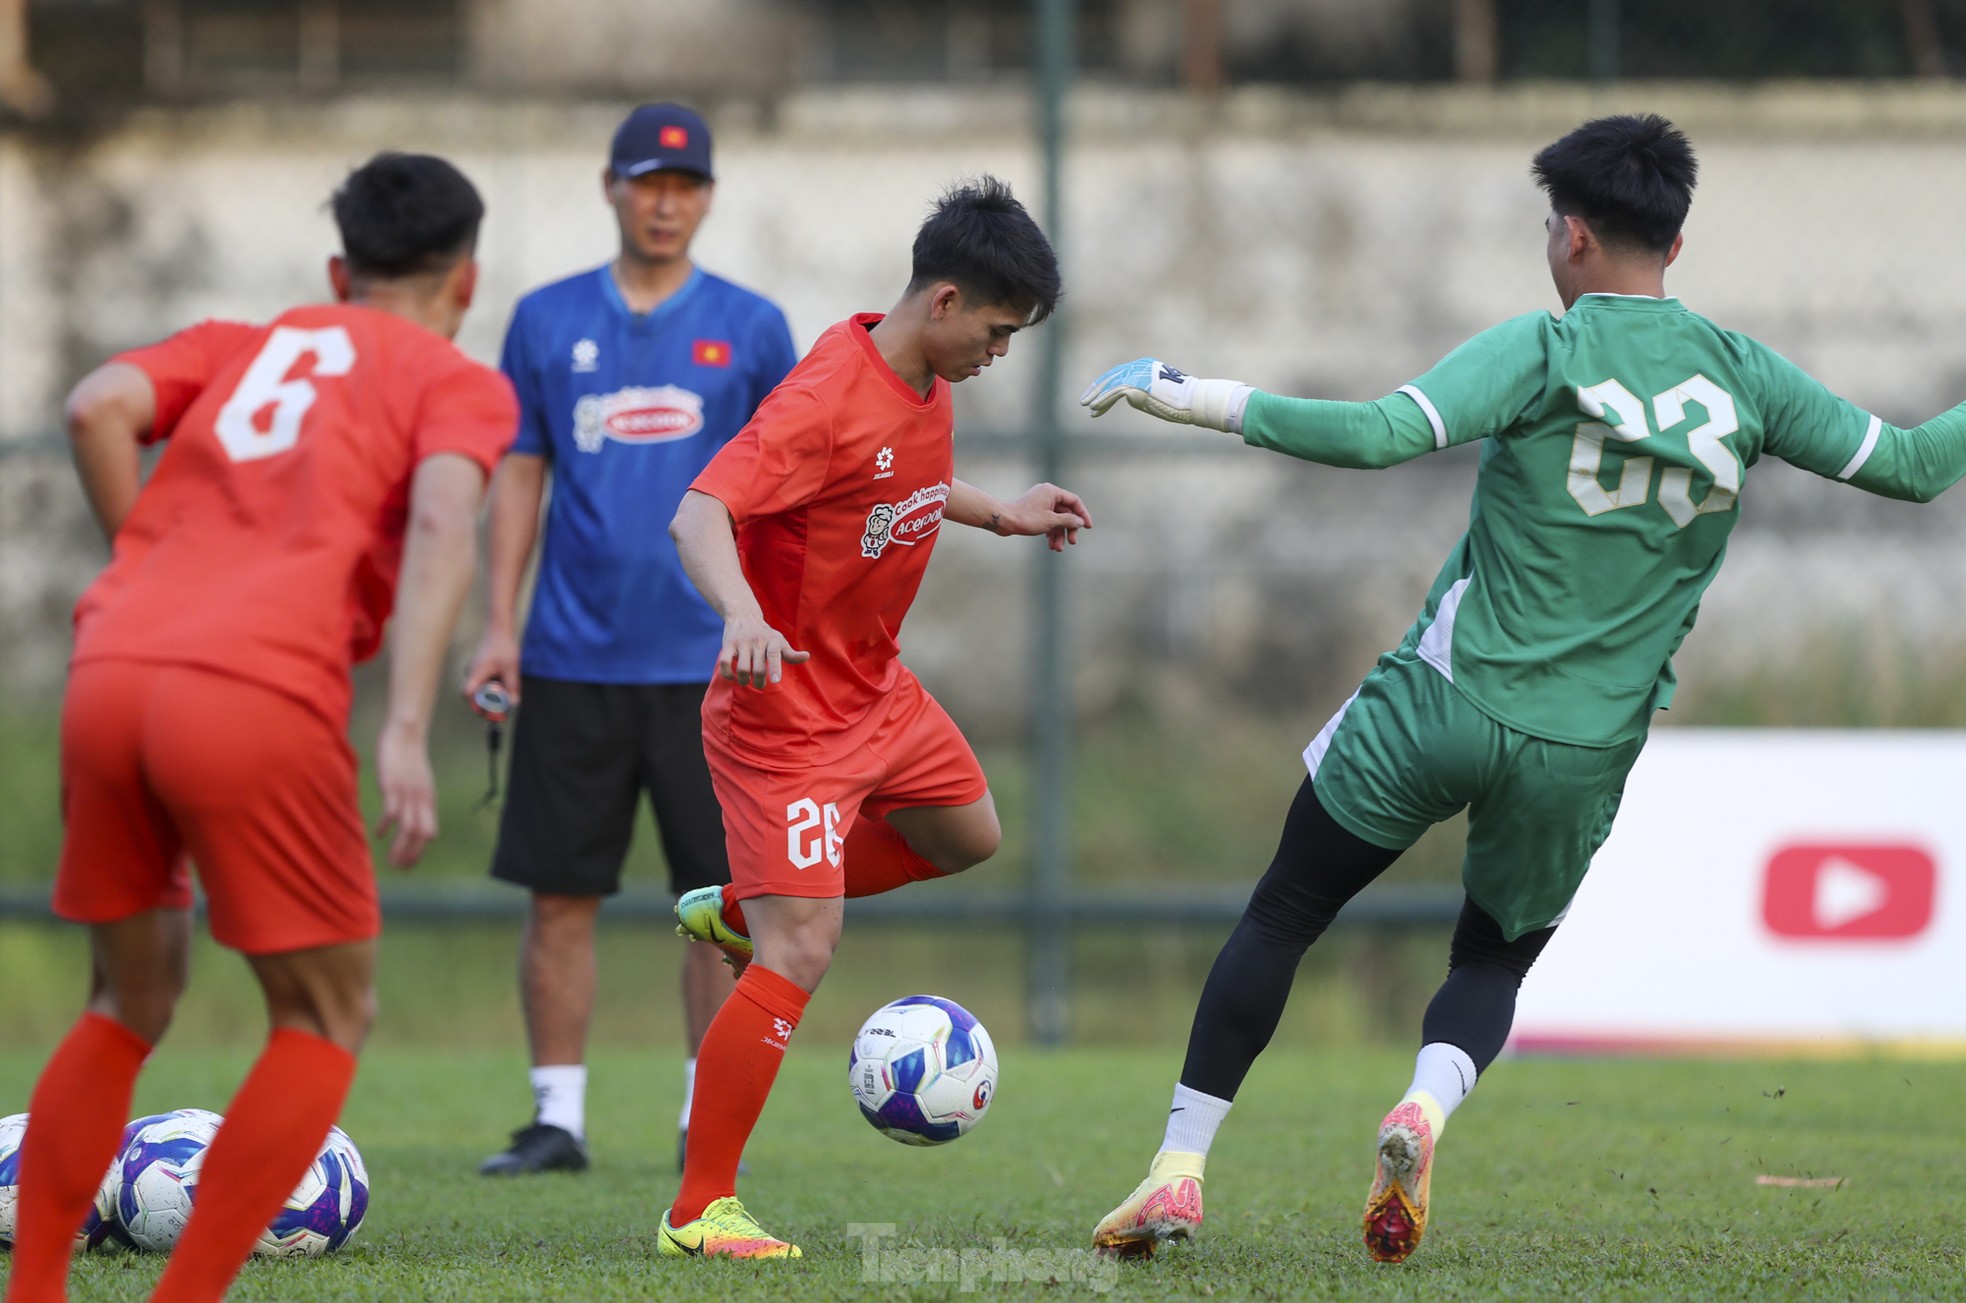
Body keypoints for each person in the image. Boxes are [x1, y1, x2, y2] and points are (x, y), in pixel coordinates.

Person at [1077, 113, 1966, 1265]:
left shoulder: (1544, 351)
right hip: (1583, 746)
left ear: (1574, 237)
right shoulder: (1744, 375)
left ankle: (1179, 1170)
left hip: (1443, 702)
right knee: (1492, 960)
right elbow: (1911, 465)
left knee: (1286, 910)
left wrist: (1189, 394)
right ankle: (1421, 1109)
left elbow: (1377, 434)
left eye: (1553, 223)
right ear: (1677, 247)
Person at [4, 153, 514, 1303]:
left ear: (340, 270)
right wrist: (405, 727)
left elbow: (96, 406)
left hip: (112, 666)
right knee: (326, 1013)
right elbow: (442, 526)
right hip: (253, 690)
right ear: (465, 283)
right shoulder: (454, 380)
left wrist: (142, 562)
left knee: (124, 1001)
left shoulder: (248, 343)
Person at [658, 175, 1090, 1259]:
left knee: (968, 833)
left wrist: (1000, 513)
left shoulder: (920, 376)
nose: (1000, 352)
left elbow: (896, 480)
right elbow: (699, 509)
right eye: (995, 331)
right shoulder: (822, 394)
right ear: (944, 301)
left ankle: (746, 906)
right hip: (786, 714)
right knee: (805, 947)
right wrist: (744, 615)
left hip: (876, 692)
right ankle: (697, 1209)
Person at [464, 101, 798, 1179]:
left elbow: (788, 487)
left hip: (716, 669)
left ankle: (707, 1113)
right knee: (559, 893)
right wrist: (497, 627)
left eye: (687, 184)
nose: (667, 202)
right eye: (648, 182)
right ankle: (554, 1116)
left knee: (718, 906)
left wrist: (778, 620)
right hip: (570, 658)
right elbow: (520, 474)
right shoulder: (545, 318)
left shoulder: (750, 327)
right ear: (610, 187)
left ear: (707, 196)